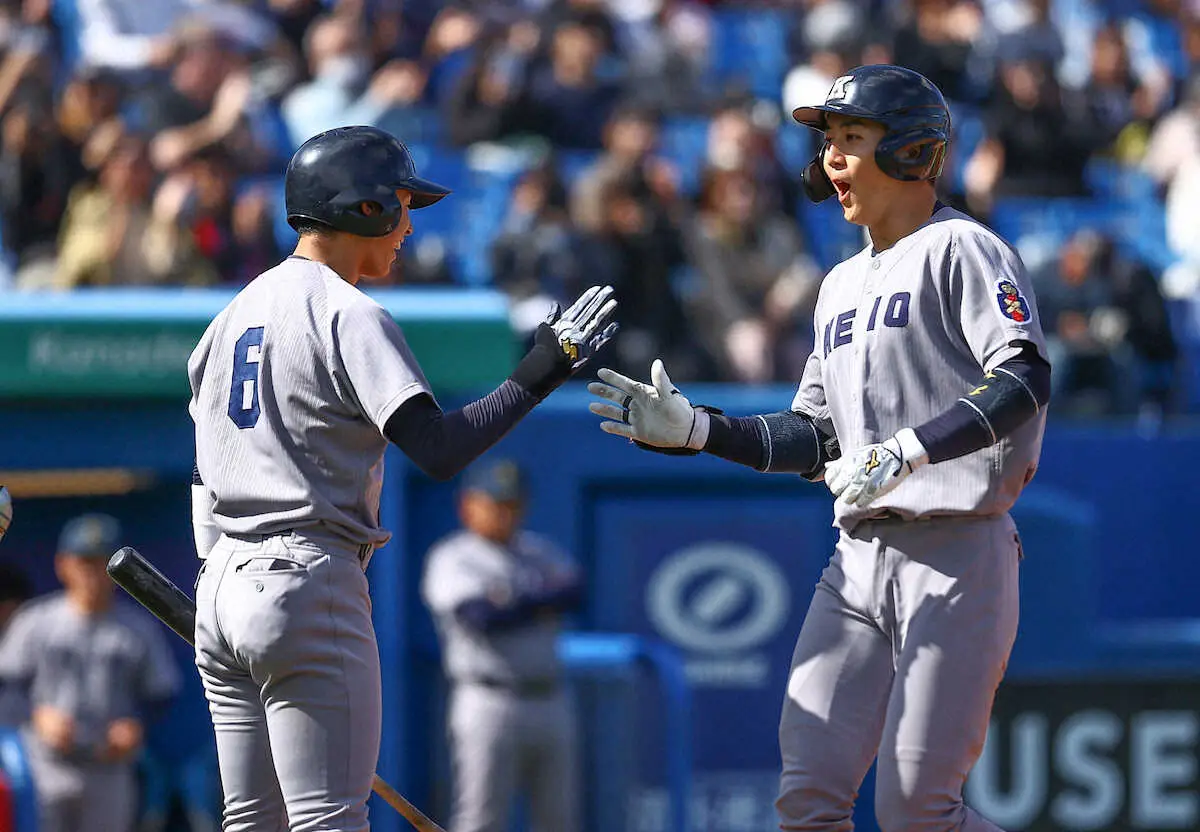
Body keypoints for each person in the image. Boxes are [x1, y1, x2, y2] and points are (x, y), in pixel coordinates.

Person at [589, 65, 1052, 831]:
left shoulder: (964, 247)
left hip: (957, 550)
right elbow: (816, 435)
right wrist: (701, 430)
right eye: (829, 140)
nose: (831, 157)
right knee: (807, 801)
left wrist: (907, 450)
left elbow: (1024, 378)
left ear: (912, 151)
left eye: (852, 138)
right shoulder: (839, 284)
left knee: (918, 812)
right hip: (858, 557)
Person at [187, 124, 617, 832]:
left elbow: (203, 475)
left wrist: (223, 581)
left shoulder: (226, 319)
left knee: (250, 823)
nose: (409, 227)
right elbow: (438, 450)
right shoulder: (346, 311)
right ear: (365, 208)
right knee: (328, 820)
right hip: (305, 575)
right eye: (403, 206)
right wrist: (542, 370)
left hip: (221, 584)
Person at [421, 458, 583, 832]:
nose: (505, 514)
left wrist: (510, 598)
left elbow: (574, 592)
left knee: (560, 820)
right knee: (481, 819)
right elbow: (480, 617)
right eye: (495, 504)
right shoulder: (454, 557)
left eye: (512, 504)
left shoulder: (537, 550)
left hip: (549, 696)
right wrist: (537, 599)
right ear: (468, 505)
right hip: (488, 698)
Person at [0, 513, 182, 832]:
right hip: (45, 765)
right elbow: (7, 686)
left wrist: (136, 724)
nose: (93, 574)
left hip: (109, 766)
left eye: (102, 563)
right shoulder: (35, 620)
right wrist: (36, 716)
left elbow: (161, 694)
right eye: (85, 562)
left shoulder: (137, 627)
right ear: (63, 564)